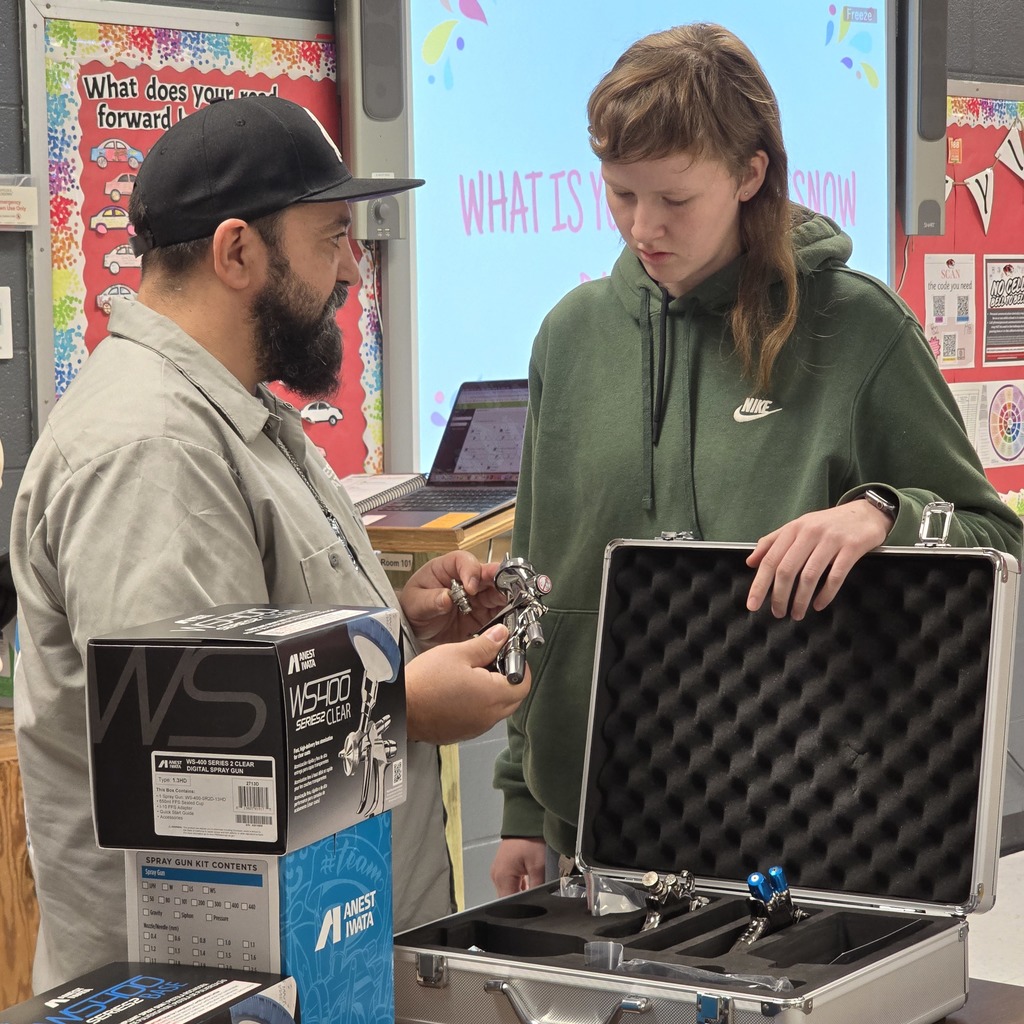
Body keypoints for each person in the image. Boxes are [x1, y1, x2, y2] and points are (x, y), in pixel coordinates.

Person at [10, 94, 530, 992]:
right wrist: (400, 707)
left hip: (315, 971)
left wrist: (395, 631)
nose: (353, 273)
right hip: (230, 994)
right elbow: (192, 767)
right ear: (238, 251)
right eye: (332, 236)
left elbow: (259, 653)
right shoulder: (153, 448)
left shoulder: (229, 417)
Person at [490, 22, 1023, 897]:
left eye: (674, 198)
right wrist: (520, 803)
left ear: (750, 173)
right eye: (621, 194)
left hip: (809, 823)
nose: (642, 228)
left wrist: (879, 513)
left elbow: (997, 536)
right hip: (595, 828)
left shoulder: (858, 328)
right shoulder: (570, 335)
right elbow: (538, 579)